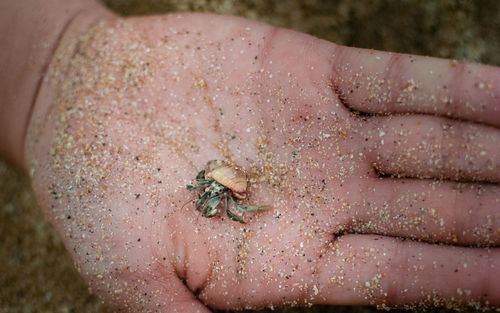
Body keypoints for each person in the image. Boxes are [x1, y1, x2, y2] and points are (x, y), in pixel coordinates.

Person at [1, 0, 499, 312]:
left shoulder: (222, 192)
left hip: (232, 176)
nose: (208, 197)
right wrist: (52, 77)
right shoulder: (207, 185)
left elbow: (213, 189)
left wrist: (57, 60)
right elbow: (202, 184)